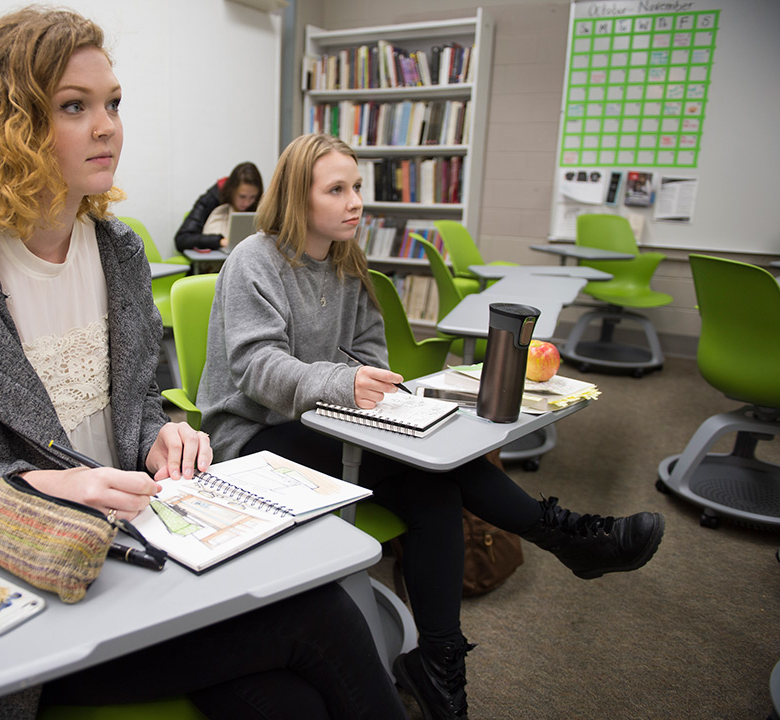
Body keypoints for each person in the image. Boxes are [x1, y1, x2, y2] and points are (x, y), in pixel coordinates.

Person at [0, 10, 406, 720]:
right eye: (74, 107)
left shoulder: (118, 252)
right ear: (10, 123)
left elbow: (137, 403)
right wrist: (37, 486)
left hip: (137, 557)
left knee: (289, 700)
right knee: (318, 619)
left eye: (113, 103)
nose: (108, 125)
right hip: (34, 590)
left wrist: (159, 435)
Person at [196, 133, 667, 720]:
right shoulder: (254, 260)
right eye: (336, 189)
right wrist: (345, 385)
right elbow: (257, 367)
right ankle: (563, 534)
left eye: (357, 187)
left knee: (436, 486)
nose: (355, 202)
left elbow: (365, 347)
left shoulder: (347, 263)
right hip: (253, 436)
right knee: (429, 479)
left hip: (334, 422)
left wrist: (369, 381)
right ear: (297, 197)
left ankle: (439, 662)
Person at [174, 161, 263, 251]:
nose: (247, 203)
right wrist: (219, 241)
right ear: (232, 191)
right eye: (242, 197)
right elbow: (182, 239)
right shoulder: (212, 199)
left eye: (253, 197)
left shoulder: (260, 204)